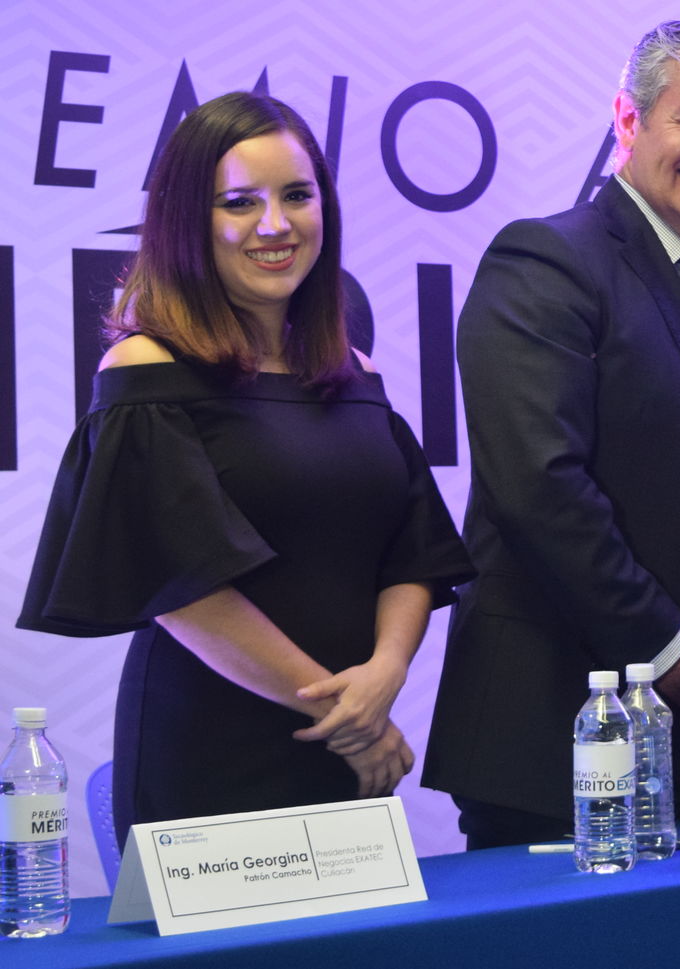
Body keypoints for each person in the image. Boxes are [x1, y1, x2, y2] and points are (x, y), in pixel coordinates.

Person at [19, 92, 471, 843]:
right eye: (239, 202)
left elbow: (412, 552)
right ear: (188, 221)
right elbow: (181, 583)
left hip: (347, 736)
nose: (275, 224)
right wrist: (342, 712)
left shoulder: (354, 370)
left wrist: (384, 674)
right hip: (216, 745)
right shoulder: (145, 368)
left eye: (297, 195)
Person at [424, 18, 680, 846]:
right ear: (628, 123)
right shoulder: (546, 262)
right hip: (556, 741)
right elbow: (541, 487)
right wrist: (670, 649)